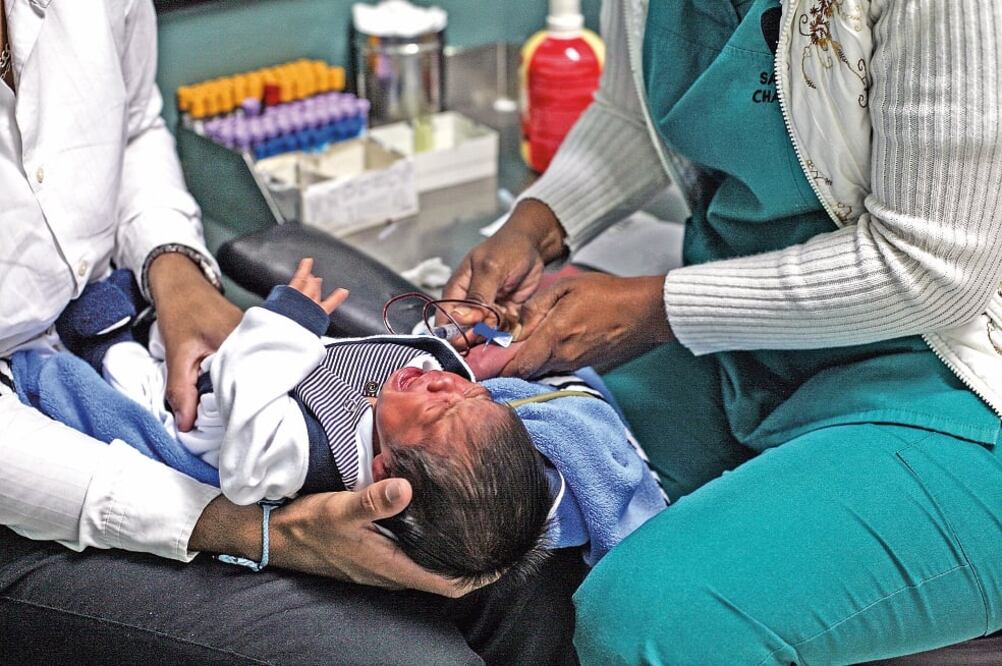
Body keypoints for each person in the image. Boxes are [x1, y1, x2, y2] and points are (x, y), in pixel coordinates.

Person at [0, 1, 587, 663]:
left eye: (459, 400)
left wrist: (174, 265)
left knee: (534, 573)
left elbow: (133, 124)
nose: (452, 387)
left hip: (128, 310)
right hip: (37, 474)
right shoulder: (308, 444)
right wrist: (264, 533)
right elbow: (254, 453)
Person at [444, 0, 1002, 663]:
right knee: (518, 509)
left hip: (954, 379)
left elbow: (933, 267)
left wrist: (655, 309)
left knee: (650, 626)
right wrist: (540, 219)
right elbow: (635, 114)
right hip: (761, 348)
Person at [22, 259, 665, 583]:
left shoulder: (305, 450)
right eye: (480, 398)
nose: (449, 385)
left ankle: (108, 343)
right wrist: (451, 340)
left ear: (385, 470)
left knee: (150, 390)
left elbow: (246, 462)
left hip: (221, 407)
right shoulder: (433, 404)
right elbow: (449, 384)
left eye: (441, 406)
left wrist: (284, 324)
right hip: (278, 363)